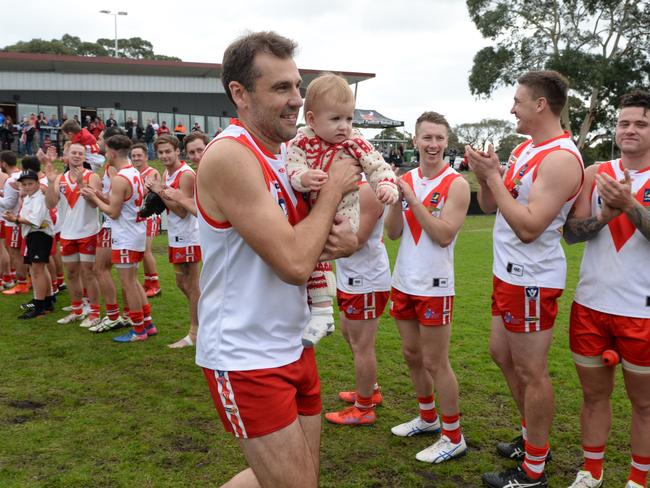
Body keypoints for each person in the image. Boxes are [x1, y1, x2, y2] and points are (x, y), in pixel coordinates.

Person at [195, 31, 359, 488]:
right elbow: (292, 263)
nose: (296, 100)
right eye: (281, 88)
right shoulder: (231, 155)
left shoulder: (289, 152)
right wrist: (331, 195)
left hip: (294, 343)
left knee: (299, 477)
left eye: (297, 85)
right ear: (240, 94)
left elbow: (324, 239)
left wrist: (342, 241)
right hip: (245, 354)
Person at [466, 70, 584, 488]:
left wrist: (496, 178)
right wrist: (486, 176)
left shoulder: (561, 158)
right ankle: (534, 438)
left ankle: (533, 470)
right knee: (501, 354)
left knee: (532, 371)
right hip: (506, 273)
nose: (510, 107)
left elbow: (530, 227)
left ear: (540, 104)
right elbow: (490, 205)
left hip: (532, 279)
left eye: (517, 100)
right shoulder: (523, 149)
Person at [562, 90, 650, 488]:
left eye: (641, 124)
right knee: (593, 395)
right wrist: (602, 215)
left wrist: (630, 206)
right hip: (591, 304)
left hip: (642, 310)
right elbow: (572, 234)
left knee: (644, 403)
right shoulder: (597, 172)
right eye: (624, 122)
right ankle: (591, 472)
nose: (630, 130)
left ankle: (637, 478)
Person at [286, 73, 398, 348]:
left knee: (318, 253)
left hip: (344, 212)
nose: (344, 126)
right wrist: (302, 177)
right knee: (310, 258)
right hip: (312, 209)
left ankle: (322, 312)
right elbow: (292, 167)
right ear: (312, 120)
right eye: (336, 119)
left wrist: (386, 185)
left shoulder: (355, 141)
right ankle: (322, 313)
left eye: (349, 119)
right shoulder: (301, 141)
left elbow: (376, 165)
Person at [385, 111, 470, 463]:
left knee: (436, 362)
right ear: (415, 141)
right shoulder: (405, 178)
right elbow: (392, 233)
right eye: (427, 138)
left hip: (435, 287)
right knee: (412, 355)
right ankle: (427, 417)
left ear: (446, 142)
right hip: (404, 281)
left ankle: (453, 436)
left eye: (439, 138)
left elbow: (443, 234)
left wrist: (413, 200)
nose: (433, 144)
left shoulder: (457, 184)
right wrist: (392, 199)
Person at [324, 179, 391, 426]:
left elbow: (357, 240)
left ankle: (364, 408)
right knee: (349, 334)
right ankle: (369, 389)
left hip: (367, 278)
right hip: (350, 276)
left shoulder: (367, 190)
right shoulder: (345, 186)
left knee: (363, 344)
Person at [81, 134, 155, 343]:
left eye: (106, 151)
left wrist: (95, 197)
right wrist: (101, 195)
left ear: (113, 153)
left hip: (124, 236)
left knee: (128, 283)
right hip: (135, 233)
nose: (105, 155)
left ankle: (139, 330)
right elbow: (124, 204)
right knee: (133, 281)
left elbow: (113, 213)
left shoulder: (120, 178)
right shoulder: (134, 173)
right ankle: (147, 323)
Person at [147, 134, 201, 348]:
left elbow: (182, 211)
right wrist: (153, 193)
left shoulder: (186, 175)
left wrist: (159, 190)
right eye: (160, 152)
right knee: (181, 282)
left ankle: (195, 332)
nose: (164, 156)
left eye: (168, 151)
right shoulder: (165, 173)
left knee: (192, 285)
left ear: (178, 151)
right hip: (175, 235)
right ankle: (207, 316)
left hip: (189, 235)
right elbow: (166, 204)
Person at [43, 143, 102, 327]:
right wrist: (51, 182)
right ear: (66, 155)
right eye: (73, 152)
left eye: (80, 153)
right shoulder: (60, 177)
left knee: (89, 274)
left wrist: (81, 185)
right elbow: (50, 204)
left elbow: (95, 204)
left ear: (84, 157)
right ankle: (77, 310)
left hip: (88, 232)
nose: (76, 156)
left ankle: (94, 313)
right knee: (71, 273)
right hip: (67, 233)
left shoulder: (92, 176)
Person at [4, 170, 55, 318]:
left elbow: (36, 221)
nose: (27, 186)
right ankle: (47, 300)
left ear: (38, 184)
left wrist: (16, 219)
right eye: (24, 184)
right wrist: (17, 218)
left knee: (37, 271)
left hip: (40, 235)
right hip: (34, 235)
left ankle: (39, 306)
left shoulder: (38, 198)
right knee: (38, 269)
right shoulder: (29, 197)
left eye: (30, 184)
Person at [130, 143, 162, 298]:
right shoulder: (132, 172)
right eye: (134, 156)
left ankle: (155, 284)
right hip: (140, 215)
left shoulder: (152, 172)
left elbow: (141, 194)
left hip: (150, 215)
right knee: (142, 250)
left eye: (139, 155)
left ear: (146, 157)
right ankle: (148, 282)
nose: (136, 158)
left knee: (146, 250)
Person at [0, 150, 30, 295]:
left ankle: (22, 284)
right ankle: (27, 280)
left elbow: (8, 204)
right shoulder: (21, 175)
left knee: (16, 253)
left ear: (4, 164)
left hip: (14, 221)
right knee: (21, 252)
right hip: (23, 218)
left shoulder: (11, 180)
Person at [160, 131, 209, 216]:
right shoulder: (200, 174)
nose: (197, 156)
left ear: (208, 147)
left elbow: (209, 215)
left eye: (200, 150)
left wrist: (180, 199)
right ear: (187, 155)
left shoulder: (216, 173)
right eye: (192, 152)